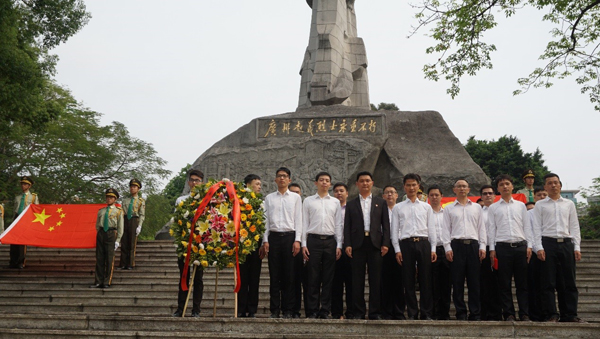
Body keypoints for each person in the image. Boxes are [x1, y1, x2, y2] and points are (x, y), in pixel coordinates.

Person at [533, 173, 584, 323]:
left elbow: (574, 226)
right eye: (550, 183)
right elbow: (536, 227)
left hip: (566, 244)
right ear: (545, 187)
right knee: (548, 282)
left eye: (556, 183)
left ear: (560, 185)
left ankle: (570, 314)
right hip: (548, 243)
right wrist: (539, 247)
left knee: (569, 281)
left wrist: (577, 247)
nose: (553, 185)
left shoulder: (569, 204)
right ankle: (551, 314)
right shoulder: (540, 205)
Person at [344, 171, 390, 320]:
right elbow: (347, 226)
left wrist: (385, 243)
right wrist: (348, 244)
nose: (365, 183)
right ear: (357, 184)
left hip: (375, 244)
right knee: (357, 281)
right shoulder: (351, 204)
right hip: (357, 244)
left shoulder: (380, 202)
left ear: (372, 183)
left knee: (375, 280)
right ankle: (358, 312)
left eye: (367, 181)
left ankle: (375, 312)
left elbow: (386, 225)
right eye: (362, 181)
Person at [391, 174, 437, 320]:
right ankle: (412, 313)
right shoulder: (398, 208)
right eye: (408, 185)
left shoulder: (426, 207)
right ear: (404, 187)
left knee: (426, 280)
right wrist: (397, 250)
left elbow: (432, 229)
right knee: (408, 281)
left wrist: (433, 248)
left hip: (423, 243)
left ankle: (426, 313)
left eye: (414, 185)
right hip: (406, 244)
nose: (411, 188)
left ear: (419, 187)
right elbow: (394, 231)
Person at [488, 174, 533, 321]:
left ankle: (524, 313)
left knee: (523, 284)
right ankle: (508, 313)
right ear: (498, 189)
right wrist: (492, 250)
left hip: (520, 247)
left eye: (507, 184)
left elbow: (527, 226)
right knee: (504, 284)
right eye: (501, 184)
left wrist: (529, 245)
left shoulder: (521, 206)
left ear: (512, 186)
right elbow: (491, 229)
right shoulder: (493, 207)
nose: (505, 186)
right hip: (502, 248)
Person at [442, 179, 486, 321]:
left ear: (468, 189)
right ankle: (460, 313)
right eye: (459, 186)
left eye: (464, 186)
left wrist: (483, 246)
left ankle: (475, 313)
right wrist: (447, 247)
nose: (462, 189)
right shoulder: (448, 208)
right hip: (456, 246)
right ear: (454, 190)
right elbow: (445, 229)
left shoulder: (477, 208)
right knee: (457, 282)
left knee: (474, 282)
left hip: (473, 246)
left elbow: (481, 228)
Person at [301, 172, 343, 319]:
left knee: (328, 277)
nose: (324, 183)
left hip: (331, 242)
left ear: (330, 184)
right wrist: (304, 244)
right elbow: (304, 223)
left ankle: (325, 310)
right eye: (321, 180)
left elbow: (338, 224)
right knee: (313, 277)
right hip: (313, 241)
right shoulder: (308, 201)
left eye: (327, 181)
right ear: (316, 183)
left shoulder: (335, 202)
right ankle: (312, 310)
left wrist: (339, 245)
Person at [263, 167, 303, 318]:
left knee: (289, 276)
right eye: (279, 176)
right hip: (273, 238)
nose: (282, 179)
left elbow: (298, 219)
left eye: (285, 176)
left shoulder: (295, 198)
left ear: (289, 180)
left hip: (289, 238)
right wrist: (265, 240)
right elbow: (265, 220)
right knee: (274, 276)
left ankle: (288, 309)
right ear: (275, 179)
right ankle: (275, 310)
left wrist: (297, 240)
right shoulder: (269, 198)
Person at [172, 169, 205, 317]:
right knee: (183, 276)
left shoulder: (207, 200)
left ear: (201, 182)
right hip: (185, 244)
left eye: (197, 180)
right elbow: (176, 222)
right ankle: (181, 308)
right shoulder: (181, 200)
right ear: (188, 182)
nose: (194, 183)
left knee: (198, 278)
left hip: (200, 245)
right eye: (192, 180)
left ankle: (196, 309)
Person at [238, 174, 265, 318]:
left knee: (255, 277)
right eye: (257, 184)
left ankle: (252, 309)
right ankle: (241, 308)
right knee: (242, 277)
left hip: (256, 243)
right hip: (241, 245)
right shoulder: (239, 202)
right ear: (248, 185)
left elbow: (264, 225)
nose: (259, 186)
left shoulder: (261, 203)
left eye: (260, 184)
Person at [90, 188, 124, 288]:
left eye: (111, 197)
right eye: (107, 197)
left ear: (115, 199)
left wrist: (118, 240)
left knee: (109, 258)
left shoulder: (118, 211)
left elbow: (120, 227)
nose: (108, 199)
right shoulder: (101, 211)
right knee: (99, 258)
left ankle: (107, 281)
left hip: (111, 233)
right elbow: (97, 225)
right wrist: (100, 233)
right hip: (101, 233)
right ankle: (98, 281)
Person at [381, 184, 406, 320]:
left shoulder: (402, 209)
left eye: (392, 192)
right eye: (387, 192)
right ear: (383, 196)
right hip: (384, 247)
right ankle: (386, 311)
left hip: (400, 247)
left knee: (399, 280)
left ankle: (399, 311)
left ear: (397, 195)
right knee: (385, 281)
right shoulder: (379, 210)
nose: (390, 195)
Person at [479, 185, 502, 321]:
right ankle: (484, 313)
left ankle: (497, 313)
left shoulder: (499, 210)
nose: (488, 196)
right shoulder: (478, 212)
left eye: (490, 193)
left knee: (498, 283)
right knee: (483, 283)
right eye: (485, 194)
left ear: (495, 195)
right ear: (481, 197)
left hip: (498, 249)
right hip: (482, 249)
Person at [428, 185, 451, 320]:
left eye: (437, 195)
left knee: (446, 283)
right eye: (432, 195)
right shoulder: (425, 212)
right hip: (431, 251)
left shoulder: (447, 213)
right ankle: (434, 313)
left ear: (442, 196)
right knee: (432, 283)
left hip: (446, 250)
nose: (434, 197)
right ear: (428, 197)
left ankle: (445, 312)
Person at [331, 182, 353, 319]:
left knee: (351, 282)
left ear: (347, 193)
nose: (339, 193)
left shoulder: (352, 208)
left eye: (341, 191)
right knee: (335, 283)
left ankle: (351, 312)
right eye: (336, 191)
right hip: (333, 248)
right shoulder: (330, 208)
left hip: (350, 248)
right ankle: (336, 312)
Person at [10, 176, 39, 269]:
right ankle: (13, 261)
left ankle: (21, 261)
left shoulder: (33, 197)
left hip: (25, 219)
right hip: (16, 219)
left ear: (29, 186)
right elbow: (14, 210)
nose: (23, 185)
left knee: (22, 242)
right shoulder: (18, 197)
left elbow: (37, 210)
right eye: (22, 184)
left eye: (25, 184)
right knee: (13, 241)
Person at [288, 182, 306, 318]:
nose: (295, 195)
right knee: (288, 278)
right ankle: (287, 308)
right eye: (292, 192)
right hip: (286, 243)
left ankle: (296, 310)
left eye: (297, 193)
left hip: (302, 246)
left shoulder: (305, 208)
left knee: (299, 279)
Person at [118, 179, 145, 270]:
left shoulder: (141, 201)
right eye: (131, 187)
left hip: (134, 220)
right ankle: (123, 263)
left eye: (134, 187)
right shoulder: (125, 200)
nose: (132, 188)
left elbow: (142, 214)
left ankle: (130, 263)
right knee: (124, 242)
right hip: (125, 220)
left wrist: (140, 225)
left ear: (138, 189)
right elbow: (121, 212)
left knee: (132, 243)